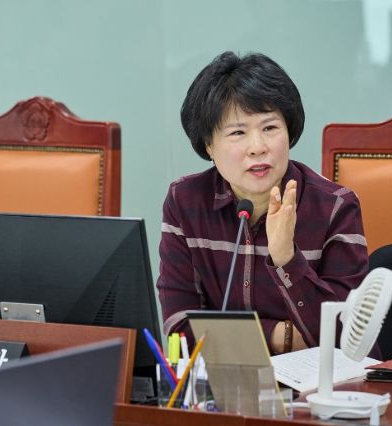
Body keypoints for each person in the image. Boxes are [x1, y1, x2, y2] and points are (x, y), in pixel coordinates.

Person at [157, 51, 369, 354]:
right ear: (208, 145)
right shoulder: (185, 201)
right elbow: (179, 331)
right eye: (237, 132)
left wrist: (286, 259)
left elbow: (345, 339)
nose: (257, 147)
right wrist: (280, 335)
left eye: (270, 128)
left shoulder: (335, 207)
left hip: (321, 383)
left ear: (289, 131)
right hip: (226, 381)